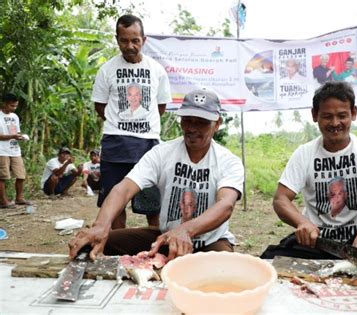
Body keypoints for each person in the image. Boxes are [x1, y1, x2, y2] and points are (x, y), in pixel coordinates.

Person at [69, 88, 244, 261]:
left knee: (224, 270)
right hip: (166, 236)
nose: (192, 128)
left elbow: (225, 205)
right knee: (88, 246)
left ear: (217, 124)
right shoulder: (162, 153)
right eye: (187, 120)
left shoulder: (228, 161)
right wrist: (101, 225)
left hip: (210, 241)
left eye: (201, 122)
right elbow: (124, 189)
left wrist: (186, 230)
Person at [260, 81, 357, 274]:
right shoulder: (304, 153)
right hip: (315, 240)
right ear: (315, 115)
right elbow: (281, 199)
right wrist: (301, 222)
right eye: (327, 116)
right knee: (267, 265)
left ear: (354, 113)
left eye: (342, 115)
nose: (335, 123)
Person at [92, 14, 172, 229]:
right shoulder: (106, 70)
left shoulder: (157, 70)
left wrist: (142, 124)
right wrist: (119, 124)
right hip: (115, 144)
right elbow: (100, 106)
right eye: (124, 40)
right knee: (114, 203)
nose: (130, 46)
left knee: (152, 203)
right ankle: (118, 251)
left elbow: (161, 106)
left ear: (143, 40)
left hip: (148, 145)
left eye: (135, 40)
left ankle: (156, 248)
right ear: (117, 39)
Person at [0, 93, 31, 208]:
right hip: (2, 150)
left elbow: (15, 132)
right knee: (2, 177)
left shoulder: (15, 116)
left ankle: (19, 198)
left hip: (14, 149)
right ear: (4, 104)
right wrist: (12, 136)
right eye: (12, 106)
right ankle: (3, 201)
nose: (14, 108)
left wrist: (20, 136)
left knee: (21, 174)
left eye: (15, 106)